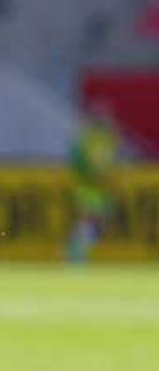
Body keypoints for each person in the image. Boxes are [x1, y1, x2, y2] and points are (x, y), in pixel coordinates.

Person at [68, 101, 120, 263]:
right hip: (88, 187)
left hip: (102, 188)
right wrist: (90, 175)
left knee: (99, 224)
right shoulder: (88, 140)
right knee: (89, 219)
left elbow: (110, 163)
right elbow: (78, 163)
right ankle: (75, 254)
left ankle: (77, 251)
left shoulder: (107, 140)